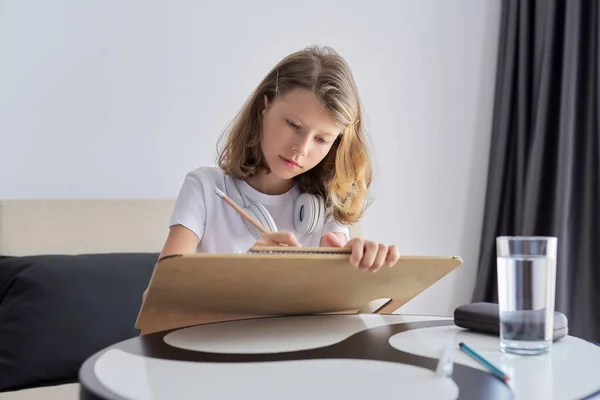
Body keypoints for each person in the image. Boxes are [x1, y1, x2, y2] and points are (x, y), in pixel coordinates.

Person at [159, 45, 399, 273]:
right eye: (293, 124)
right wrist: (245, 272)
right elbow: (158, 300)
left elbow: (329, 311)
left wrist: (356, 274)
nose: (301, 149)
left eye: (322, 140)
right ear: (264, 106)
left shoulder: (326, 207)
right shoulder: (205, 188)